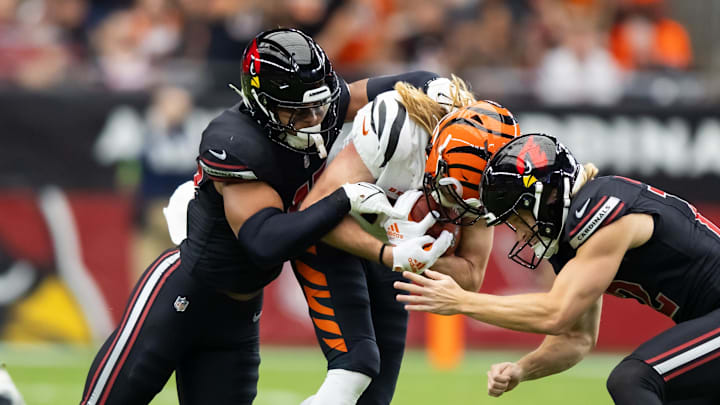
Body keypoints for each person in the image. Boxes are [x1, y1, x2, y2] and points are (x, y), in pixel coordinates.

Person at [79, 27, 445, 405]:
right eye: (300, 111)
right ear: (262, 103)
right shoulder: (236, 141)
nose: (315, 118)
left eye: (319, 106)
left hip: (240, 316)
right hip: (182, 297)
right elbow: (264, 242)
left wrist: (444, 92)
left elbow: (411, 84)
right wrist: (344, 197)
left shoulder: (318, 105)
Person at [394, 133, 720, 404]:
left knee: (635, 379)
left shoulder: (602, 210)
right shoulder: (573, 236)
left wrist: (462, 302)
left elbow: (556, 313)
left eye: (518, 217)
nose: (519, 232)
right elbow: (576, 338)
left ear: (545, 197)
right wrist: (523, 369)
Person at [294, 77, 521, 405]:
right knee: (355, 367)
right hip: (335, 233)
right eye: (454, 194)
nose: (459, 208)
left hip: (397, 251)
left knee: (377, 397)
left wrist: (419, 254)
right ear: (436, 156)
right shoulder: (398, 128)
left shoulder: (493, 169)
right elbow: (312, 213)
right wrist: (391, 251)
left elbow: (471, 275)